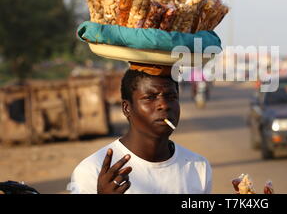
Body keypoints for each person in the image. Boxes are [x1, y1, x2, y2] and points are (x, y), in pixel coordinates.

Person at [67, 67, 212, 194]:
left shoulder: (198, 166)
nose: (163, 105)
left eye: (171, 97)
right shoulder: (93, 171)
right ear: (127, 108)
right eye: (150, 97)